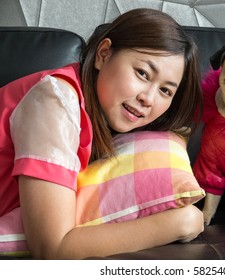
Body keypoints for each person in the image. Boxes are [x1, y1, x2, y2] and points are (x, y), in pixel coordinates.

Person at [0, 8, 204, 259]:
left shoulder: (98, 115)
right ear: (103, 54)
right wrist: (179, 222)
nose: (148, 98)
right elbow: (53, 248)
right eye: (142, 73)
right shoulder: (55, 101)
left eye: (165, 91)